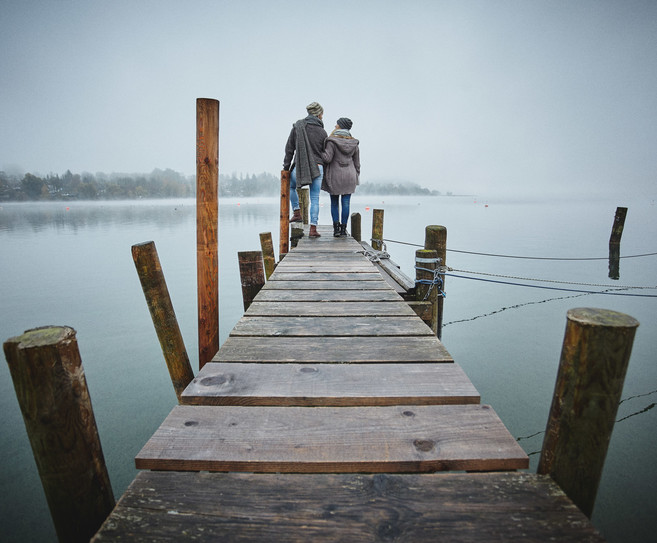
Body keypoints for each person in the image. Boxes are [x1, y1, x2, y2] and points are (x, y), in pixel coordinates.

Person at [282, 101, 327, 237]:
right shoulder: (322, 132)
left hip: (300, 168)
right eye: (322, 114)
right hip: (318, 168)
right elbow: (325, 153)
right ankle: (313, 229)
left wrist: (286, 167)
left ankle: (297, 212)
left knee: (290, 186)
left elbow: (289, 148)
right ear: (319, 114)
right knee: (315, 198)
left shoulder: (298, 127)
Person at [321, 117, 360, 237]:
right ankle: (344, 230)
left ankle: (336, 229)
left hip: (335, 175)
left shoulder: (332, 141)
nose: (334, 126)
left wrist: (318, 152)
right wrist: (356, 175)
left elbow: (327, 158)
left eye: (336, 124)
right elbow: (357, 163)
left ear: (340, 126)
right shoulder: (354, 143)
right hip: (350, 175)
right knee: (346, 203)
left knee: (334, 203)